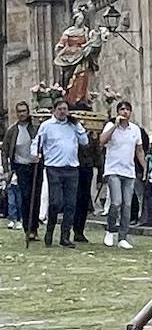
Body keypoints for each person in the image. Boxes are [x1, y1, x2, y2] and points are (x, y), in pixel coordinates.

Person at [31, 100, 89, 249]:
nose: (63, 112)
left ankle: (65, 236)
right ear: (54, 110)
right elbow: (37, 142)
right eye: (60, 109)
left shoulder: (73, 125)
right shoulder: (47, 126)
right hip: (54, 168)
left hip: (71, 168)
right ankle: (50, 230)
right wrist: (35, 154)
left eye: (65, 109)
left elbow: (84, 141)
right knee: (55, 202)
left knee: (71, 204)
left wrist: (78, 125)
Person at [100, 101, 146, 249]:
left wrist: (144, 167)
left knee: (127, 204)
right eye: (122, 109)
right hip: (113, 169)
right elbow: (102, 141)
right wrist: (115, 125)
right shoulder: (110, 126)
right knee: (116, 202)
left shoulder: (135, 130)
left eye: (127, 109)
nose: (124, 112)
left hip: (129, 170)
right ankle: (110, 229)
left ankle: (123, 236)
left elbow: (139, 150)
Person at [3, 101, 39, 235]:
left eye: (24, 111)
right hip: (20, 167)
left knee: (35, 197)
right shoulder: (12, 131)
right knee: (25, 196)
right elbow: (5, 151)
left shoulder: (35, 128)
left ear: (28, 112)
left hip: (35, 166)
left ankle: (34, 227)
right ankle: (28, 228)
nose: (22, 114)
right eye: (19, 111)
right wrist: (7, 170)